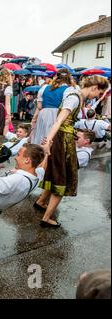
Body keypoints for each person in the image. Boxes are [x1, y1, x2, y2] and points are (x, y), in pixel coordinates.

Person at [35, 75, 109, 227]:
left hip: (63, 137)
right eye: (99, 93)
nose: (98, 96)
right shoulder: (75, 98)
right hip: (62, 140)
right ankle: (46, 218)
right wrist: (47, 142)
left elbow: (69, 121)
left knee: (55, 172)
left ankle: (41, 201)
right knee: (63, 177)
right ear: (94, 88)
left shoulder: (75, 95)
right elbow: (59, 121)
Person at [31, 69, 75, 145]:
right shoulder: (69, 90)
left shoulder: (45, 87)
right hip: (58, 115)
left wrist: (34, 120)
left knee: (40, 135)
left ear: (56, 77)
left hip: (43, 114)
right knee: (52, 137)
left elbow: (39, 106)